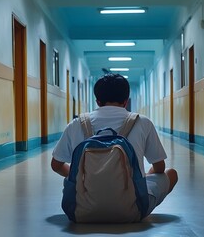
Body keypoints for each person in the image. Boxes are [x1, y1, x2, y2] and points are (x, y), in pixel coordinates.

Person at [51, 73, 178, 219]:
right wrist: (142, 176)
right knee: (171, 173)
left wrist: (81, 177)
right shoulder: (143, 122)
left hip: (80, 210)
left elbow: (56, 165)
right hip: (132, 210)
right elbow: (159, 167)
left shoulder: (76, 124)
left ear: (98, 101)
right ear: (126, 101)